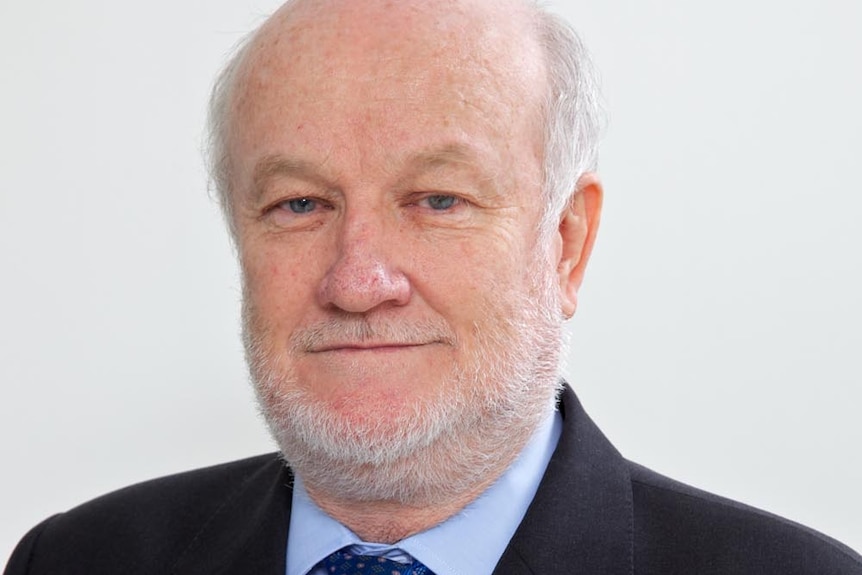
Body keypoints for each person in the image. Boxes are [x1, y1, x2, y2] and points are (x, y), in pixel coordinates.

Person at [4, 0, 861, 573]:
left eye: (438, 199)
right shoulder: (76, 559)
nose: (358, 279)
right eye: (299, 203)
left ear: (565, 243)